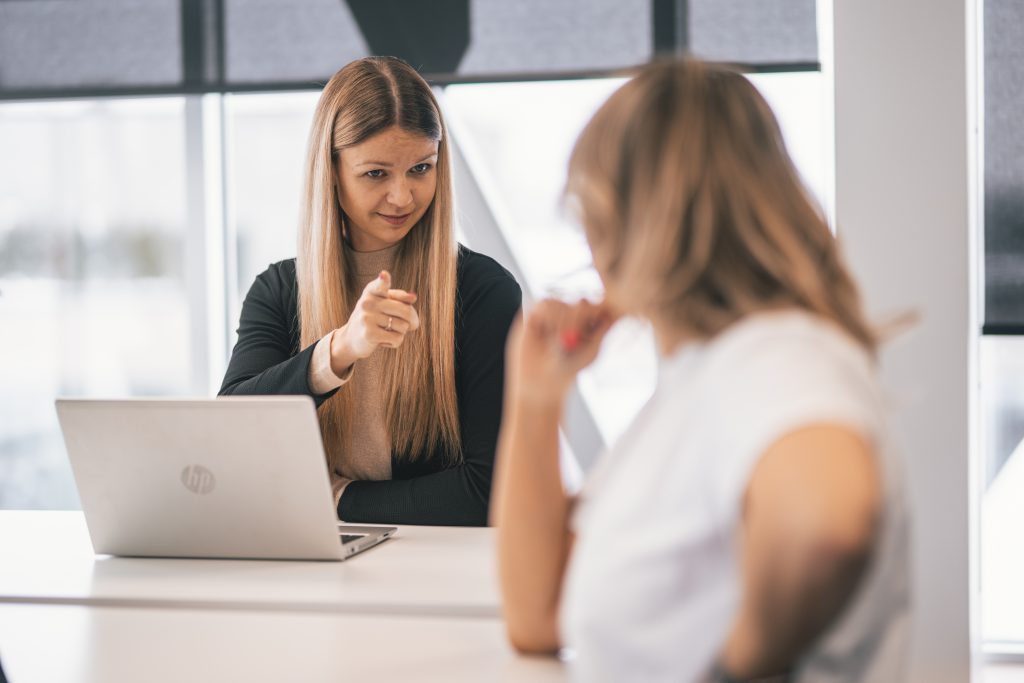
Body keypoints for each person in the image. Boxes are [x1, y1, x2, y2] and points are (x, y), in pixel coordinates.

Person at [492, 59, 909, 682]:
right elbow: (539, 617)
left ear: (636, 216)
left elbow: (827, 523)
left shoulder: (778, 356)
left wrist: (732, 669)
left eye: (591, 211)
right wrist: (537, 400)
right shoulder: (705, 375)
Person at [220, 56, 521, 526]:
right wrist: (336, 352)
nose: (402, 197)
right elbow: (229, 433)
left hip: (436, 568)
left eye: (421, 169)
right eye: (376, 174)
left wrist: (338, 498)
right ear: (332, 172)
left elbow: (488, 490)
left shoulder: (484, 292)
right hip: (311, 563)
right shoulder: (279, 291)